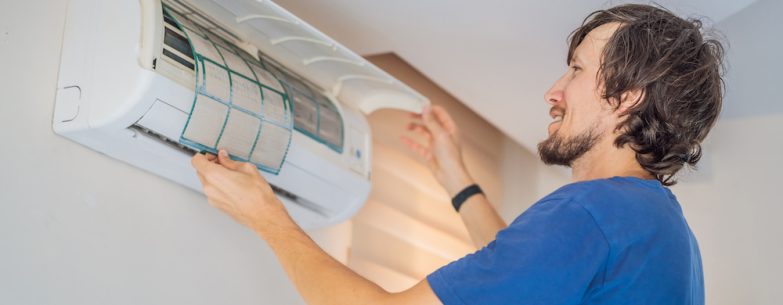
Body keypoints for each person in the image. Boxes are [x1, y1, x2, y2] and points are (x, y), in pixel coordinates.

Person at [190, 4, 724, 305]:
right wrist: (455, 177)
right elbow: (521, 272)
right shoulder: (658, 230)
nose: (554, 91)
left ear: (626, 97)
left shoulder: (591, 213)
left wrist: (265, 216)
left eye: (578, 70)